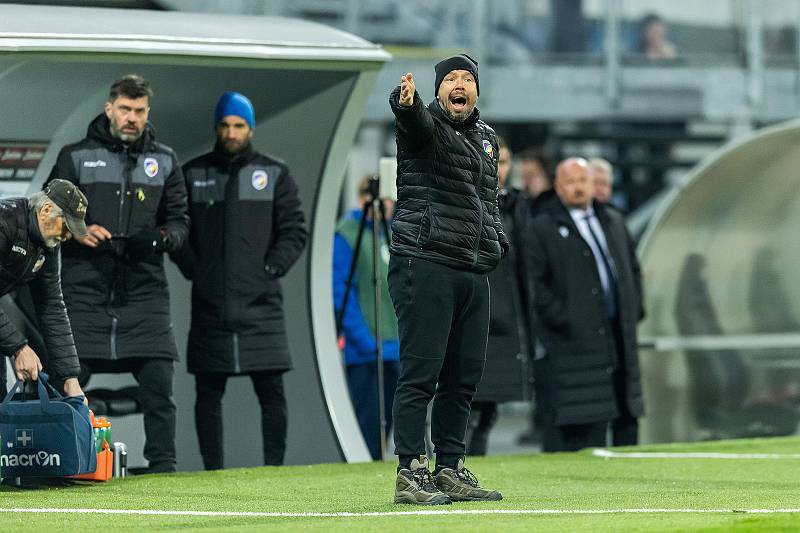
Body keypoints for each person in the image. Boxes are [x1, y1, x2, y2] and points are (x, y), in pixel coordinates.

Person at [45, 74, 189, 474]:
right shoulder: (75, 156)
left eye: (139, 111)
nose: (132, 118)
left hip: (144, 293)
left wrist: (158, 239)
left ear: (147, 112)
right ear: (110, 108)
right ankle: (63, 464)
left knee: (160, 386)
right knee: (68, 385)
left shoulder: (165, 160)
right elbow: (49, 209)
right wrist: (80, 230)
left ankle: (164, 469)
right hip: (85, 291)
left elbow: (180, 222)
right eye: (125, 109)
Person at [388, 54, 507, 505]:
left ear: (477, 91)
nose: (459, 85)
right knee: (421, 371)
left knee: (463, 377)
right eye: (451, 79)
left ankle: (450, 467)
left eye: (468, 79)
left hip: (472, 269)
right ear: (438, 91)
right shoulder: (426, 126)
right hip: (426, 260)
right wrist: (406, 103)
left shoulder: (487, 137)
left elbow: (488, 201)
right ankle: (410, 470)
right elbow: (413, 122)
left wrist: (497, 242)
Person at [174, 92, 307, 469]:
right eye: (225, 125)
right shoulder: (193, 173)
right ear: (217, 127)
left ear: (250, 129)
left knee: (271, 391)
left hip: (261, 303)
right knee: (208, 392)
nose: (232, 132)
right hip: (210, 303)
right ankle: (211, 472)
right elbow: (178, 229)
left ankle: (274, 470)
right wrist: (196, 270)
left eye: (239, 125)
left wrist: (271, 270)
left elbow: (295, 231)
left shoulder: (275, 173)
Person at [526, 157, 644, 452]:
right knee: (580, 435)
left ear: (593, 184)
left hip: (617, 339)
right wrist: (564, 319)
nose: (578, 187)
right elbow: (534, 284)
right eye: (570, 181)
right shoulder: (542, 228)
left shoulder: (614, 222)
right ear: (558, 186)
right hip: (571, 347)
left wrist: (634, 310)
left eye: (583, 180)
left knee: (626, 429)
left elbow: (633, 269)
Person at [466, 137, 529, 456]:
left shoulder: (517, 208)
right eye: (494, 160)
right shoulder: (468, 204)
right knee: (469, 407)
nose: (498, 169)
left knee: (488, 410)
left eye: (504, 162)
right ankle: (454, 465)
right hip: (477, 318)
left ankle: (471, 464)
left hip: (506, 320)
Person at [0, 180, 88, 398]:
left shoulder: (49, 245)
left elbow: (51, 307)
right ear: (47, 210)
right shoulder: (5, 221)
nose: (67, 237)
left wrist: (70, 379)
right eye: (66, 226)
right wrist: (19, 348)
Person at [333, 175, 399, 461]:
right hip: (366, 351)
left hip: (397, 346)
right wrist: (364, 339)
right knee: (369, 428)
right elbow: (341, 292)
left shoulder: (393, 233)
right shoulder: (347, 233)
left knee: (391, 426)